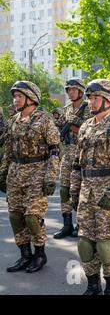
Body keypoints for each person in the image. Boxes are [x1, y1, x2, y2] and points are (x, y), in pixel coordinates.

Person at [70, 79, 110, 295]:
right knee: (85, 243)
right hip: (87, 192)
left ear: (109, 100)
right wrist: (73, 189)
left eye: (96, 98)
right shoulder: (86, 127)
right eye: (89, 97)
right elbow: (78, 163)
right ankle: (93, 285)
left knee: (105, 245)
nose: (91, 101)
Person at [0, 81, 60, 273]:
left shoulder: (43, 119)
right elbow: (8, 151)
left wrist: (50, 176)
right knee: (15, 216)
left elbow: (54, 150)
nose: (15, 100)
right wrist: (2, 173)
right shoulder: (13, 121)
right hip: (16, 173)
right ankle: (25, 254)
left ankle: (40, 254)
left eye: (19, 96)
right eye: (14, 96)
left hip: (37, 172)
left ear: (30, 98)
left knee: (32, 216)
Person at [54, 78, 91, 239]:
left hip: (81, 152)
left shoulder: (89, 108)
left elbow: (92, 129)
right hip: (67, 152)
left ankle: (81, 223)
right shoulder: (67, 108)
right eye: (68, 89)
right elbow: (61, 127)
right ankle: (67, 224)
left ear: (81, 91)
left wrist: (79, 123)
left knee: (79, 191)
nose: (70, 92)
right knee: (64, 189)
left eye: (73, 89)